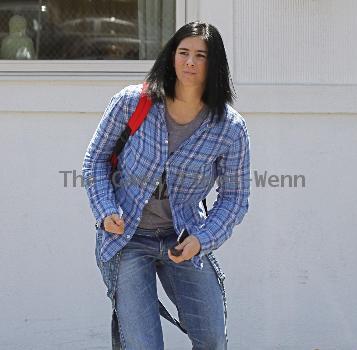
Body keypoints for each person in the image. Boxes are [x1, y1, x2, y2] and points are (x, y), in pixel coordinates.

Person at [83, 21, 250, 350]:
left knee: (213, 339)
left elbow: (234, 199)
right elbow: (95, 162)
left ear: (214, 64)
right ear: (171, 57)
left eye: (201, 55)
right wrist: (106, 211)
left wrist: (202, 239)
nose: (190, 62)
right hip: (127, 239)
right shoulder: (132, 103)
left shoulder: (230, 128)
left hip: (183, 239)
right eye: (183, 52)